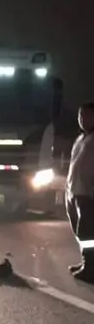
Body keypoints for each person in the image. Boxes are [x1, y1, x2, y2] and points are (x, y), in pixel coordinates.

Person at [66, 101, 94, 282]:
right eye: (80, 115)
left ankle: (90, 267)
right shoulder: (81, 138)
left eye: (86, 115)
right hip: (74, 191)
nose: (82, 119)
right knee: (79, 230)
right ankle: (86, 261)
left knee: (87, 232)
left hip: (88, 193)